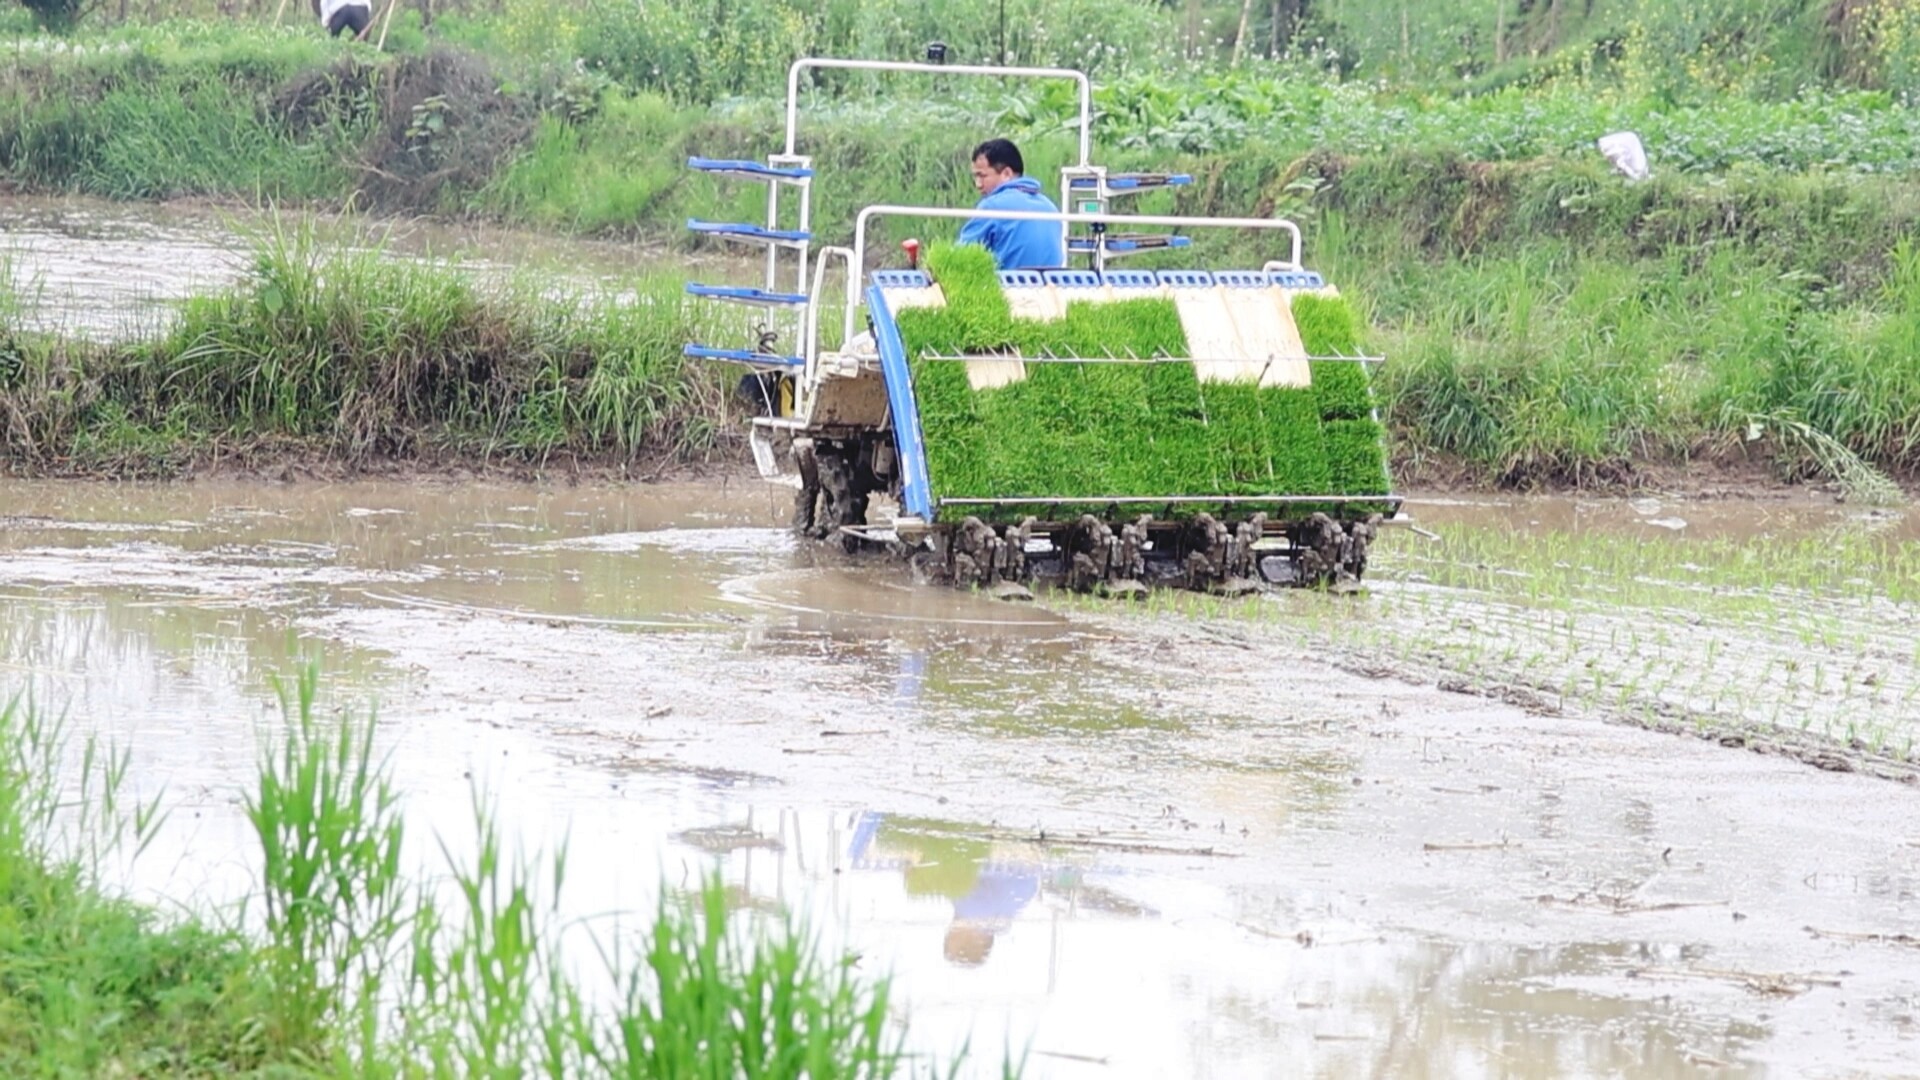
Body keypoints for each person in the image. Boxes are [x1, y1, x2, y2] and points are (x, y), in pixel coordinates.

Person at [957, 138, 1064, 270]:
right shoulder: (1050, 207)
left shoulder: (992, 207)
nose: (978, 184)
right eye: (976, 177)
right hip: (1051, 288)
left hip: (1009, 287)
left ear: (1007, 174)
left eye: (982, 176)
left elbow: (959, 258)